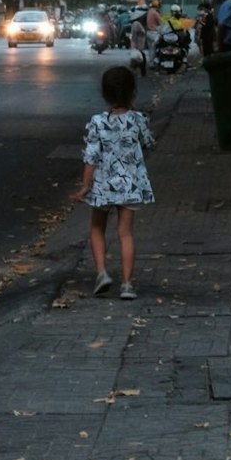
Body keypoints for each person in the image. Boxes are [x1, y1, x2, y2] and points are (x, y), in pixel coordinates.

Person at [74, 64, 155, 301]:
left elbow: (91, 157)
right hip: (130, 184)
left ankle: (102, 273)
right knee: (125, 233)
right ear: (132, 92)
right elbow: (148, 143)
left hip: (102, 185)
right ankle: (128, 285)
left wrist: (85, 186)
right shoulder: (139, 120)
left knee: (97, 228)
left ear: (105, 93)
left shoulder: (97, 122)